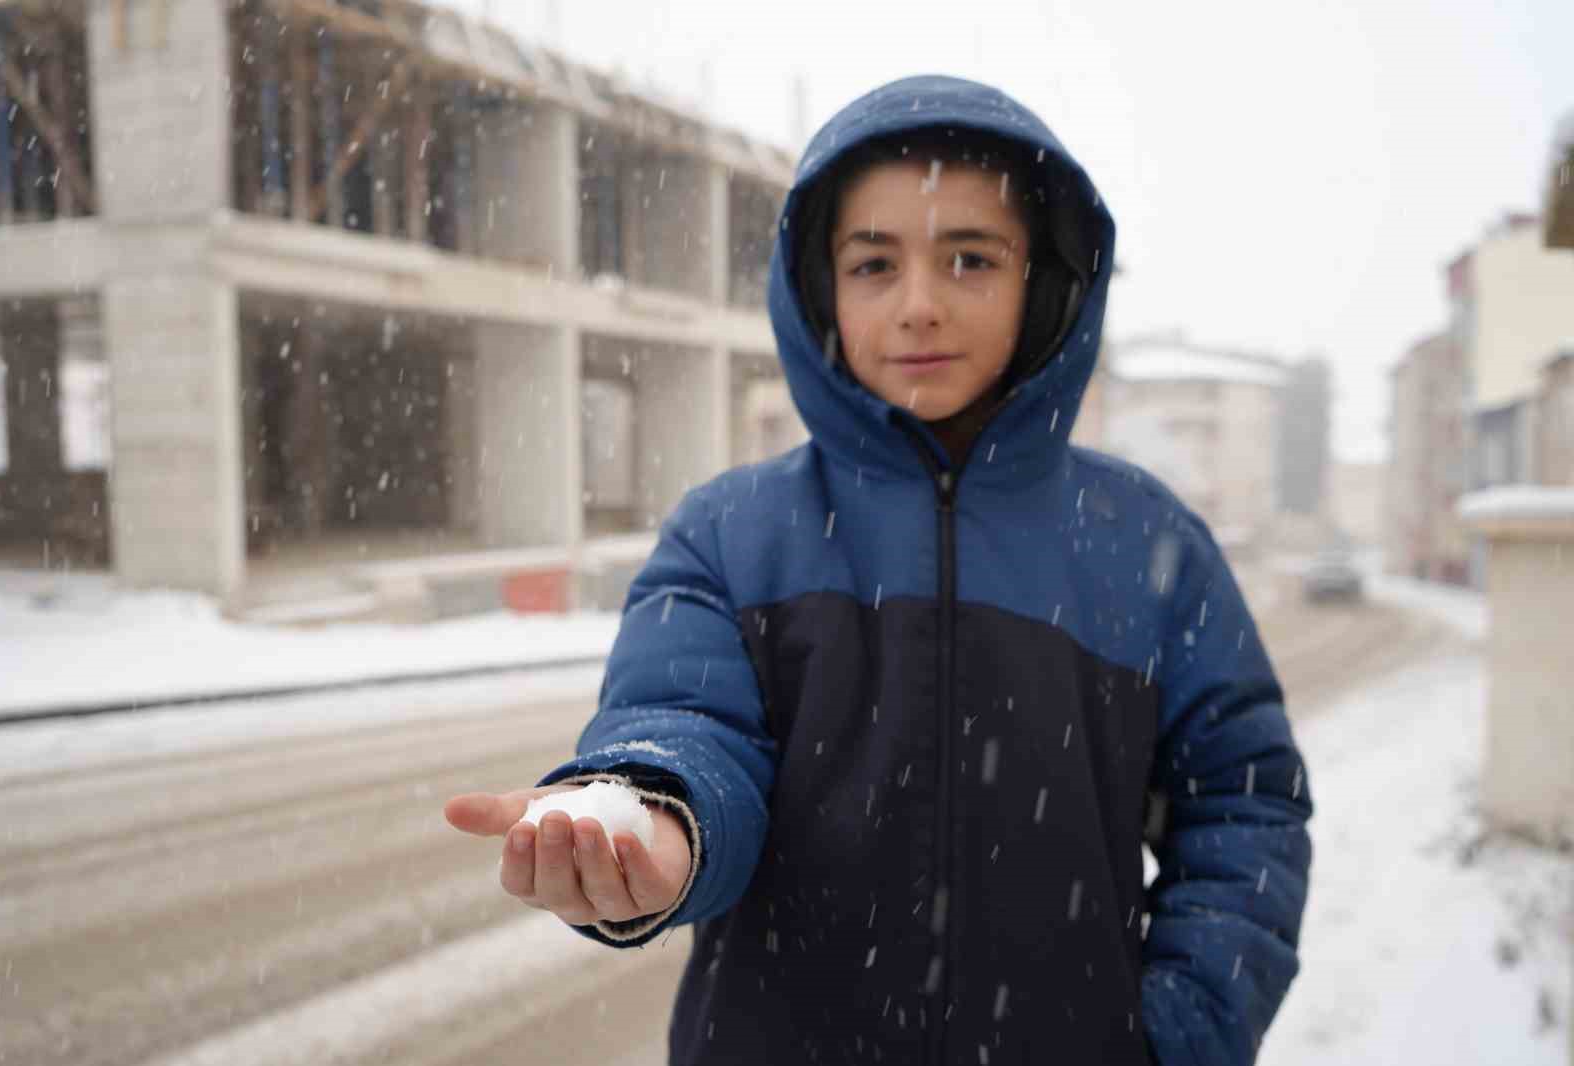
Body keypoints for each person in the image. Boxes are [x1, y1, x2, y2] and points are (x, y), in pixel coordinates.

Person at [445, 73, 1313, 1065]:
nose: (917, 307)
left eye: (970, 259)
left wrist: (1179, 1031)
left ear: (1046, 280)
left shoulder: (1148, 544)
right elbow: (685, 729)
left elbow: (1244, 805)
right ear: (820, 284)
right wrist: (652, 824)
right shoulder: (731, 533)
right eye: (873, 264)